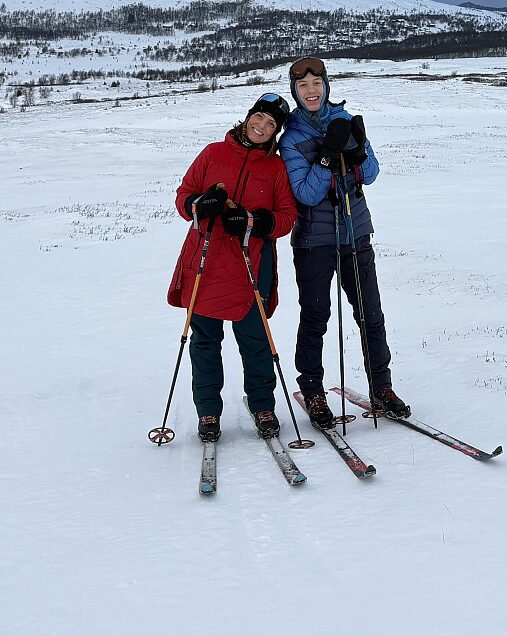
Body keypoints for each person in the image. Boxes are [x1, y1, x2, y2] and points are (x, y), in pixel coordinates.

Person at [279, 56, 410, 431]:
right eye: (303, 86)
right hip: (314, 242)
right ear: (296, 92)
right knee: (316, 317)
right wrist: (325, 159)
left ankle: (382, 388)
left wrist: (358, 149)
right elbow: (305, 194)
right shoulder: (291, 139)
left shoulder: (344, 120)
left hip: (356, 233)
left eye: (316, 83)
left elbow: (371, 174)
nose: (311, 91)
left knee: (371, 314)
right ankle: (313, 391)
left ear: (326, 86)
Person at [168, 93, 297, 443]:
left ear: (276, 132)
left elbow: (287, 216)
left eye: (271, 124)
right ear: (248, 116)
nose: (262, 126)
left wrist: (256, 221)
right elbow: (184, 195)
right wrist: (201, 203)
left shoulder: (276, 167)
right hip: (206, 260)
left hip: (251, 263)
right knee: (205, 339)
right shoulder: (213, 153)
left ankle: (263, 406)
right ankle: (208, 411)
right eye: (259, 117)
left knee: (255, 339)